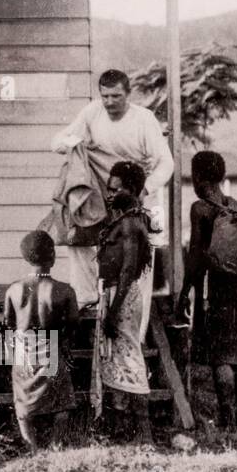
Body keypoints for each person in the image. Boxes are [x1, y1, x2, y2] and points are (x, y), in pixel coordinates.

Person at [51, 69, 175, 307]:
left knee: (136, 256)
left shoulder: (144, 119)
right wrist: (75, 143)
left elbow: (166, 163)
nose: (109, 102)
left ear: (128, 94)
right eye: (105, 96)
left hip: (134, 194)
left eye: (116, 96)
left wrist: (144, 189)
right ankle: (87, 299)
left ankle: (134, 319)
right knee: (80, 238)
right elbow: (57, 141)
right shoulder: (92, 113)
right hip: (100, 190)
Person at [179, 150, 237, 431]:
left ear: (199, 177)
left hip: (213, 288)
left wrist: (186, 291)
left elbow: (196, 254)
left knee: (220, 355)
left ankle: (227, 419)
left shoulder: (201, 208)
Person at [96, 160, 159, 445]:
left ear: (132, 189)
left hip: (124, 296)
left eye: (115, 189)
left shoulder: (132, 223)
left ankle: (144, 432)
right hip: (113, 293)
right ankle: (122, 429)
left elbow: (128, 268)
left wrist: (113, 310)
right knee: (115, 358)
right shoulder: (125, 220)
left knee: (129, 356)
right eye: (108, 189)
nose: (109, 194)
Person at [4, 230, 80, 453]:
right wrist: (66, 343)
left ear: (25, 258)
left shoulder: (14, 289)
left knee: (23, 400)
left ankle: (32, 446)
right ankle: (57, 442)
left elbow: (8, 322)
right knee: (62, 400)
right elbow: (74, 323)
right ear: (53, 257)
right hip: (51, 343)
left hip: (23, 347)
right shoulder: (64, 290)